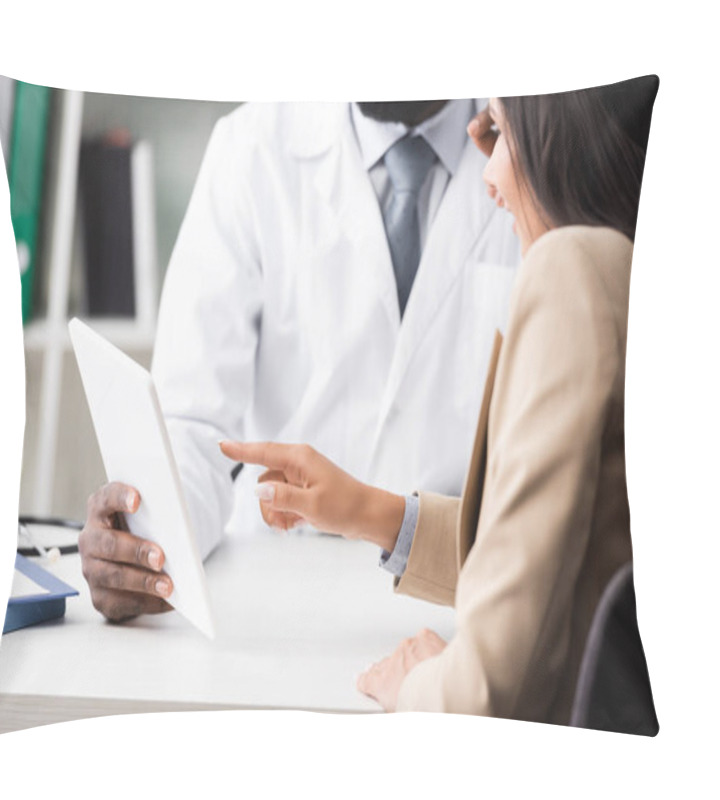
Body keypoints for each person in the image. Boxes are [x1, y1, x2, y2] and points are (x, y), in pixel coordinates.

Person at [219, 75, 658, 725]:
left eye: (499, 132)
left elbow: (484, 691)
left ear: (553, 135)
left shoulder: (569, 267)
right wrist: (374, 512)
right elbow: (546, 552)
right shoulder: (624, 266)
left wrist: (421, 679)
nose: (489, 175)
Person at [78, 100, 520, 621]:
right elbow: (193, 425)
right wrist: (150, 537)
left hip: (465, 599)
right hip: (275, 596)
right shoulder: (251, 147)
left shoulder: (533, 152)